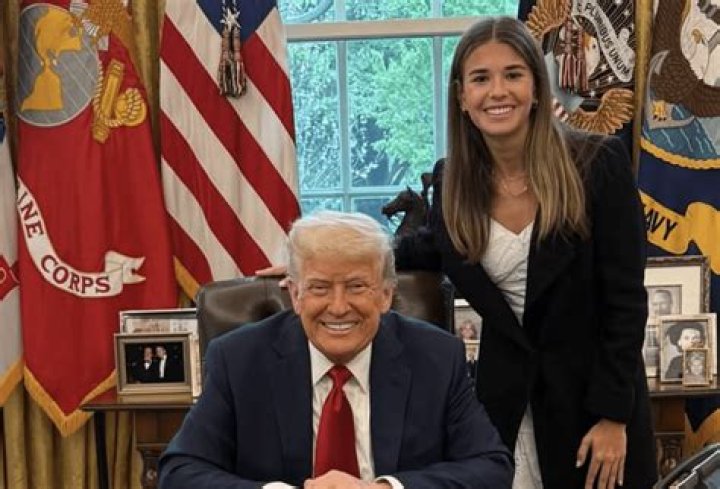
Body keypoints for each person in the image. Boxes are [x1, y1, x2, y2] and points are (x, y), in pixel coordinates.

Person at [394, 16, 657, 489]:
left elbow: (626, 303)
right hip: (506, 409)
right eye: (481, 78)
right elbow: (426, 248)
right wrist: (319, 262)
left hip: (594, 410)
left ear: (536, 87)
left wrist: (614, 415)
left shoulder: (598, 165)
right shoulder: (452, 181)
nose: (498, 91)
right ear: (462, 97)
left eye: (512, 74)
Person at [158, 211, 513, 489]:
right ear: (295, 294)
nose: (339, 307)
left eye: (357, 286)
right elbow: (181, 470)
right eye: (320, 288)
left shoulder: (436, 357)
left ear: (385, 295)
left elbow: (491, 467)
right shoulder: (238, 360)